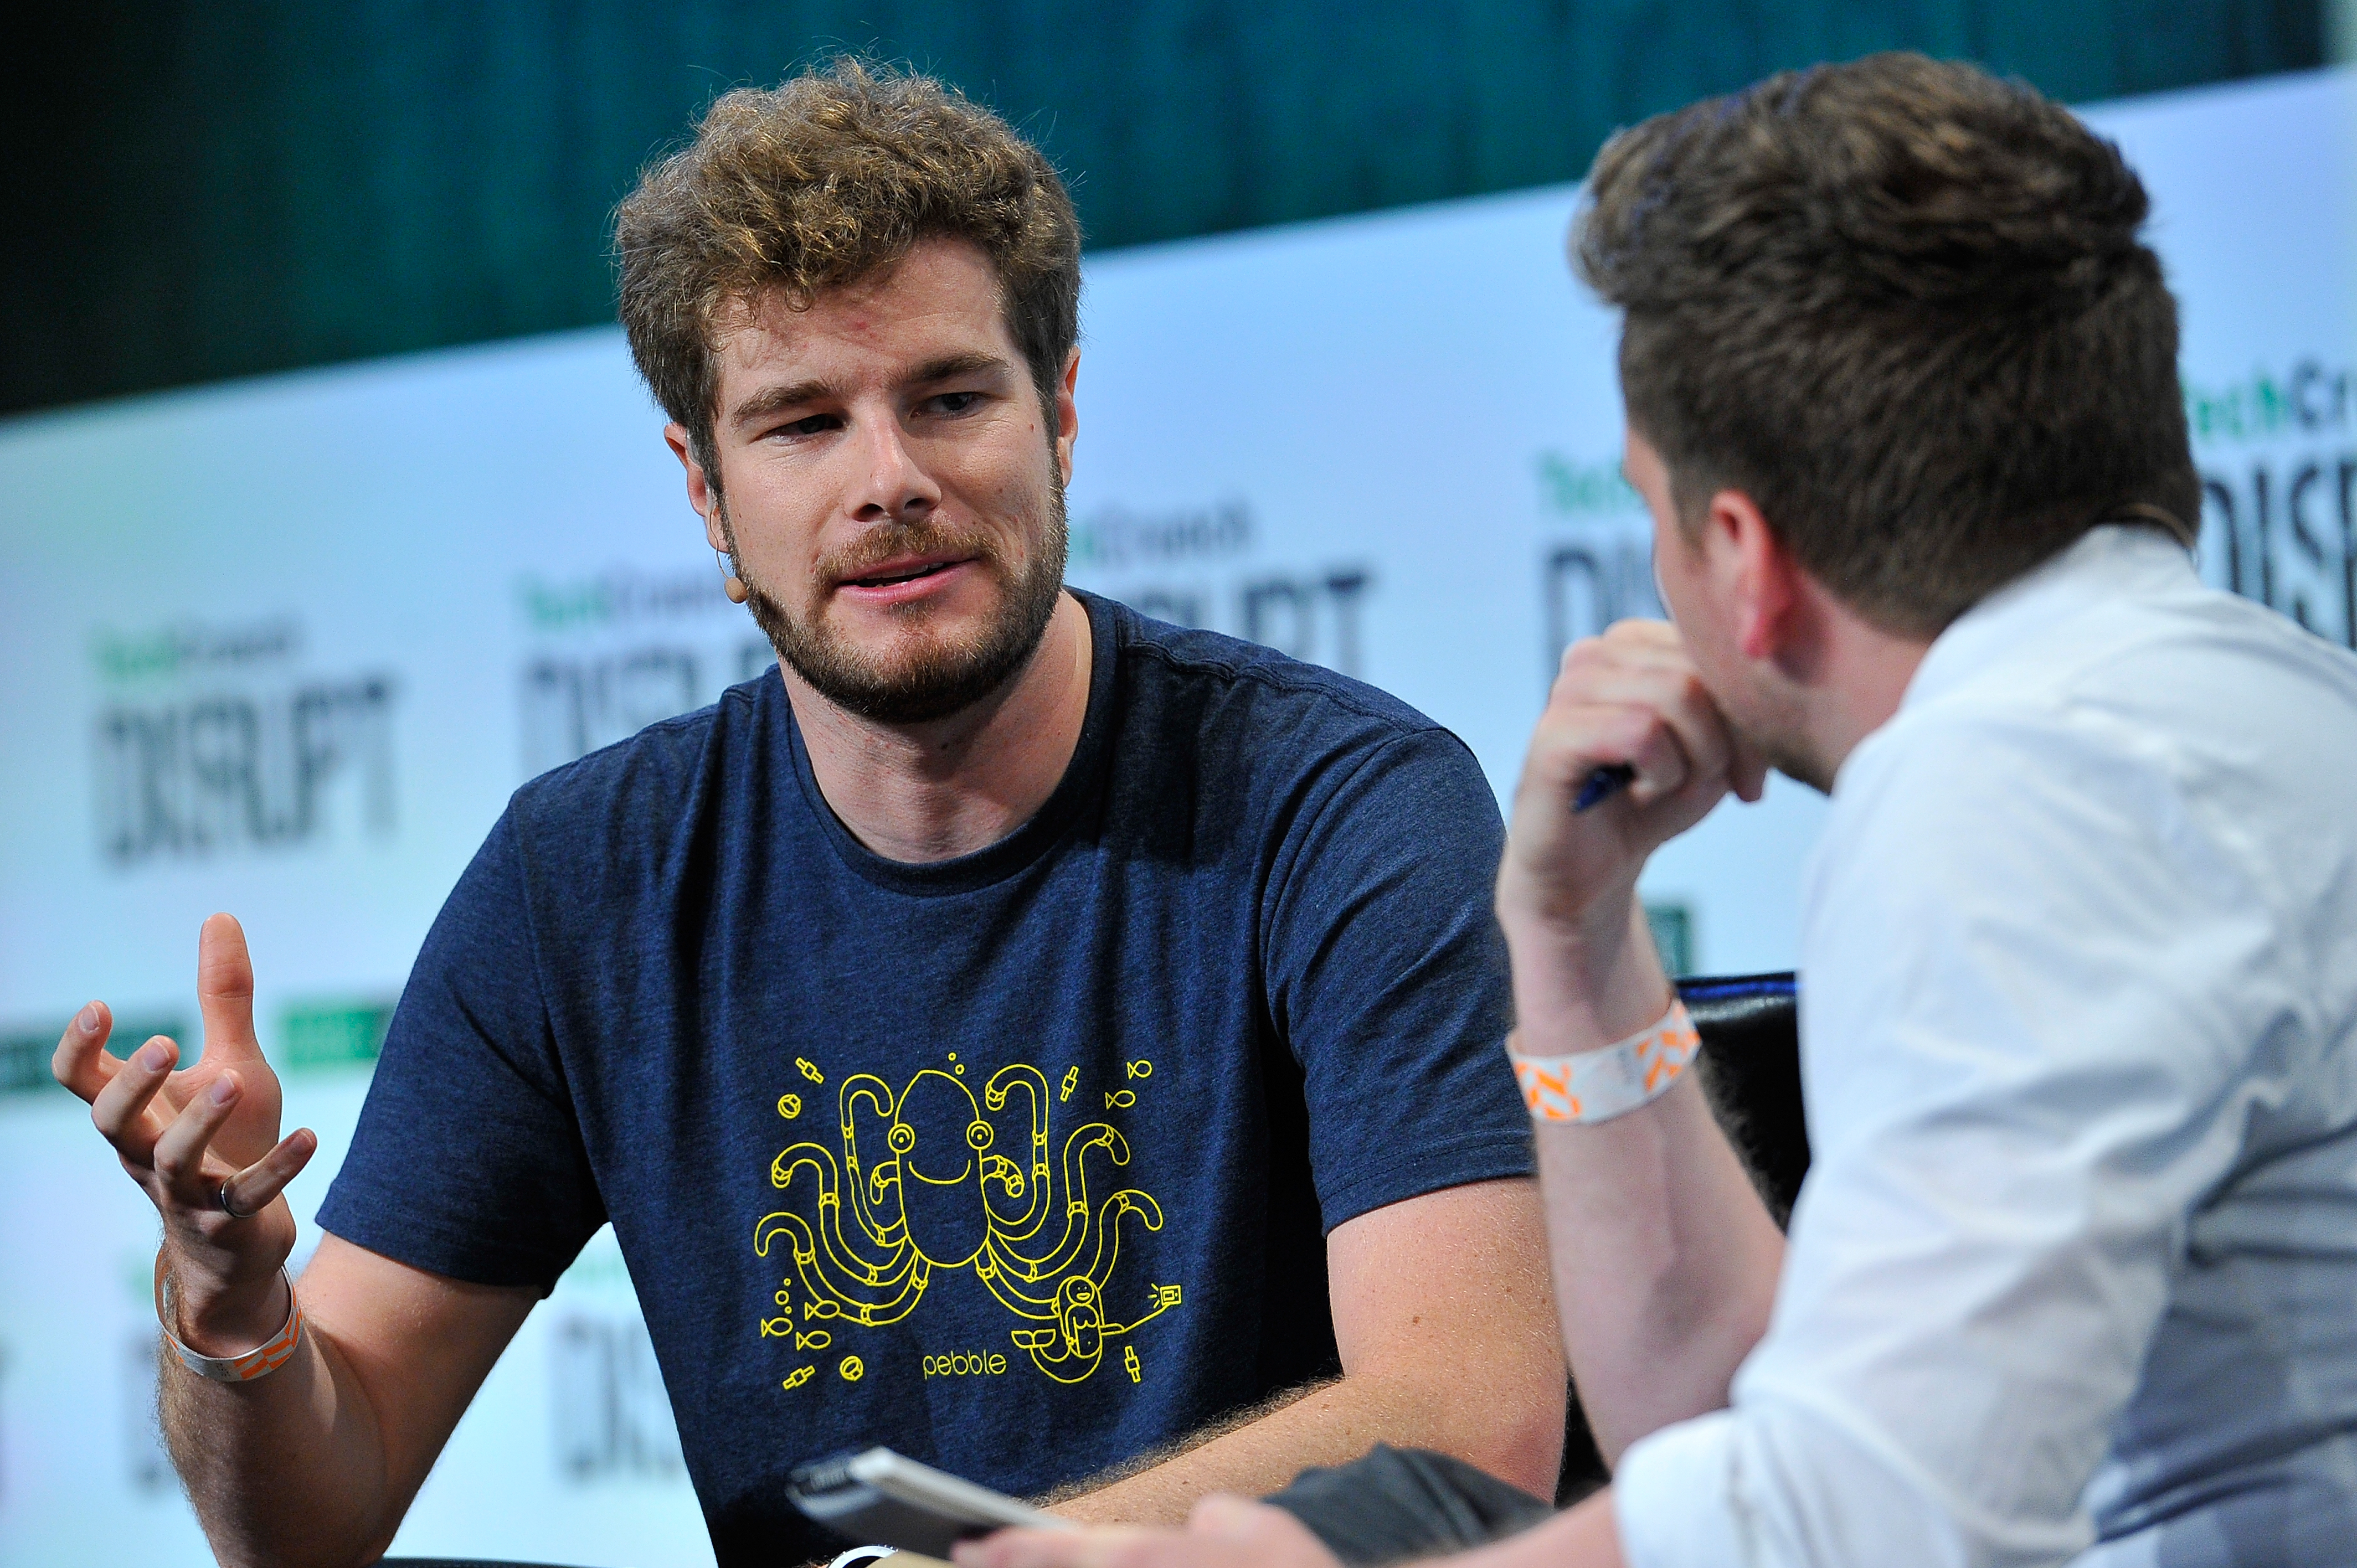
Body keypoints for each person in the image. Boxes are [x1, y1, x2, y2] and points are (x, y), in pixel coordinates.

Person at [50, 60, 1567, 1568]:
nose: (889, 479)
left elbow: (1461, 1425)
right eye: (800, 425)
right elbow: (307, 1527)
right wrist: (229, 1305)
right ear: (705, 494)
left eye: (950, 397)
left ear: (1061, 413)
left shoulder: (1344, 806)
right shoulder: (578, 884)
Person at [958, 50, 2357, 1568]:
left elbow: (1869, 1527)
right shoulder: (2216, 713)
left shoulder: (2024, 790)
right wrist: (1572, 942)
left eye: (1647, 503)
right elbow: (1726, 1433)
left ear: (1743, 556)